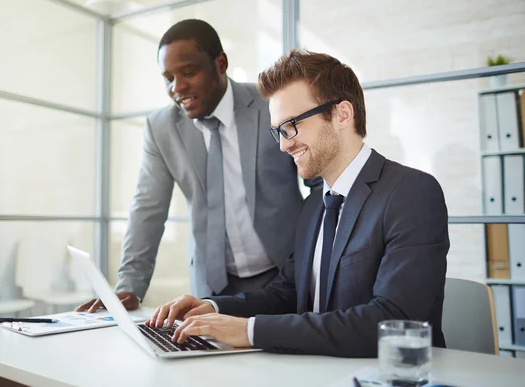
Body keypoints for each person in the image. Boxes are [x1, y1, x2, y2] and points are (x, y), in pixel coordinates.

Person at [146, 49, 450, 358]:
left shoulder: (411, 193)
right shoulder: (315, 205)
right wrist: (212, 307)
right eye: (278, 130)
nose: (283, 144)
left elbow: (392, 321)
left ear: (342, 114)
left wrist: (250, 331)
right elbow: (287, 293)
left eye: (292, 125)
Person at [77, 20, 318, 313]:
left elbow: (318, 183)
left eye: (189, 72)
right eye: (168, 78)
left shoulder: (270, 104)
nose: (177, 88)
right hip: (213, 285)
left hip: (284, 273)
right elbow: (148, 209)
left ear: (220, 63)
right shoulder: (161, 128)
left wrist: (315, 252)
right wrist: (129, 286)